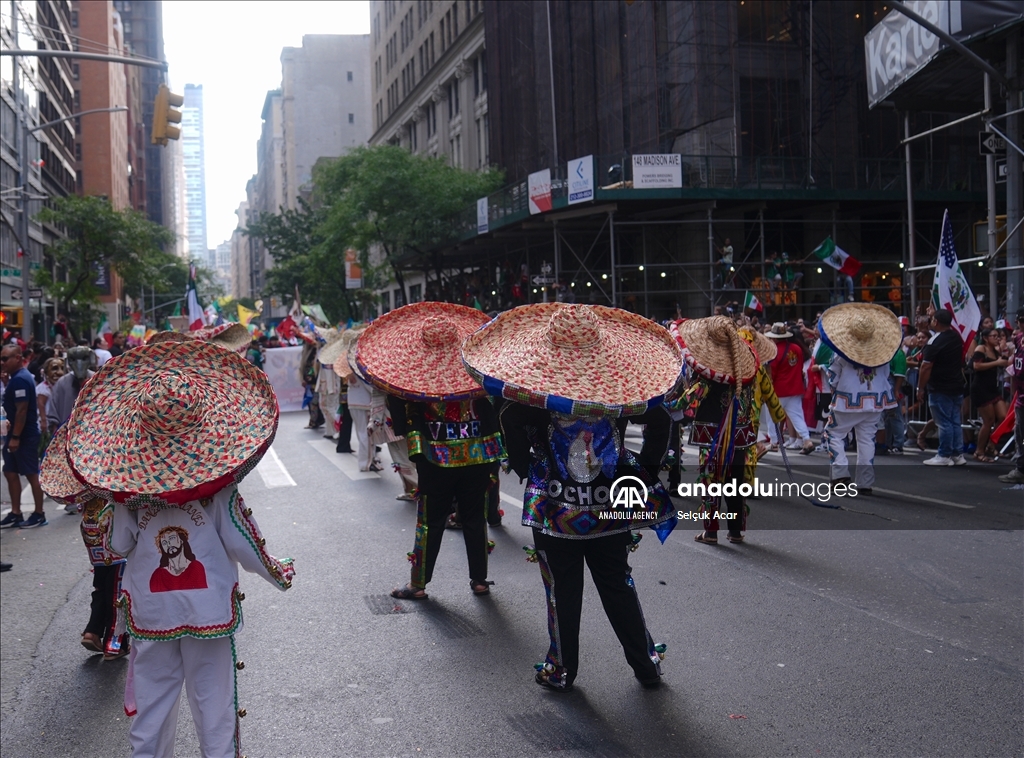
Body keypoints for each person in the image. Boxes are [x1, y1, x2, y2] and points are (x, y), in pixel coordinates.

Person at [63, 339, 295, 758]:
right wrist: (277, 572)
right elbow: (243, 542)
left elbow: (116, 546)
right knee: (214, 705)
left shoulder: (126, 489)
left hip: (152, 613)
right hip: (209, 611)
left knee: (152, 708)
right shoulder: (219, 487)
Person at [465, 303, 679, 691]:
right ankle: (646, 665)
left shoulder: (532, 405)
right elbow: (661, 422)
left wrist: (531, 469)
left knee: (561, 590)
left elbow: (508, 424)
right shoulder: (619, 395)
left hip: (554, 510)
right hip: (610, 509)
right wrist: (642, 470)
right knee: (618, 583)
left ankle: (562, 669)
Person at [358, 302, 502, 600]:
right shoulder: (475, 367)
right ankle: (479, 580)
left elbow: (399, 409)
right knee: (474, 518)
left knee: (430, 520)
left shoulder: (413, 375)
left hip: (435, 458)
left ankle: (419, 584)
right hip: (478, 454)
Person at [39, 423, 130, 660]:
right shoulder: (118, 454)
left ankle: (93, 630)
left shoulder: (85, 455)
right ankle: (114, 642)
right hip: (113, 525)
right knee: (119, 586)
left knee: (102, 580)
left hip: (91, 526)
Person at [818, 304, 902, 495]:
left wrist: (835, 390)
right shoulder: (884, 354)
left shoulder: (841, 353)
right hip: (875, 401)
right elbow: (886, 375)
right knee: (867, 439)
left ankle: (840, 474)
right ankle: (864, 482)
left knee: (833, 434)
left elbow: (833, 375)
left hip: (847, 401)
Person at [0, 343, 46, 528]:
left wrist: (16, 437)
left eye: (5, 359)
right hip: (12, 434)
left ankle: (39, 513)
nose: (1, 362)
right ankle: (16, 513)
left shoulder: (20, 379)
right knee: (10, 472)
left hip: (23, 436)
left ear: (18, 358)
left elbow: (22, 410)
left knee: (31, 474)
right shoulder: (14, 378)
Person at [920, 310, 967, 466]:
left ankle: (944, 454)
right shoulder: (956, 337)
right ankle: (957, 454)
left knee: (944, 422)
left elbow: (925, 367)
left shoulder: (934, 341)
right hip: (956, 385)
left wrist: (920, 388)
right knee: (954, 421)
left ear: (936, 322)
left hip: (940, 387)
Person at [764, 323, 815, 454]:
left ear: (774, 337)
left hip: (778, 390)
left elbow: (771, 373)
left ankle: (774, 442)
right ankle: (807, 440)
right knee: (797, 416)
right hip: (795, 388)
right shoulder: (797, 348)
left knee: (772, 416)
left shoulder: (773, 351)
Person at [970, 328, 1009, 462]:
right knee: (988, 421)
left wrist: (1004, 354)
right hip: (980, 388)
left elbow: (1004, 364)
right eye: (993, 336)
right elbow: (976, 366)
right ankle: (979, 451)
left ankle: (991, 445)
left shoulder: (995, 350)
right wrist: (996, 362)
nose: (997, 338)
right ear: (986, 338)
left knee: (1004, 416)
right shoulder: (981, 348)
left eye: (998, 336)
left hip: (992, 388)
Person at [998, 307, 1024, 484]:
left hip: (1023, 396)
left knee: (1021, 433)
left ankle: (1021, 469)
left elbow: (1018, 371)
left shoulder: (1020, 339)